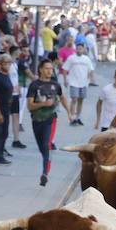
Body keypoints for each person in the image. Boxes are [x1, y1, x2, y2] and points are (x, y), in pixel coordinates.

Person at [26, 57, 69, 186]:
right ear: (40, 70)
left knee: (46, 145)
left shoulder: (56, 84)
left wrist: (69, 112)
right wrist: (44, 103)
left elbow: (62, 97)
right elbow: (29, 106)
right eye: (47, 69)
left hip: (51, 119)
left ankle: (45, 173)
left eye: (51, 69)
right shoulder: (34, 85)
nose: (50, 71)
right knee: (41, 147)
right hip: (36, 119)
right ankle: (45, 164)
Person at [61, 42, 95, 126]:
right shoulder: (71, 58)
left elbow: (91, 69)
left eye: (80, 49)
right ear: (75, 49)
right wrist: (65, 80)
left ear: (83, 49)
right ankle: (72, 118)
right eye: (77, 48)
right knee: (74, 99)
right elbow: (65, 69)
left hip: (83, 83)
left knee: (81, 100)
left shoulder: (86, 59)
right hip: (73, 82)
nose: (79, 50)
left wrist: (91, 79)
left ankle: (78, 117)